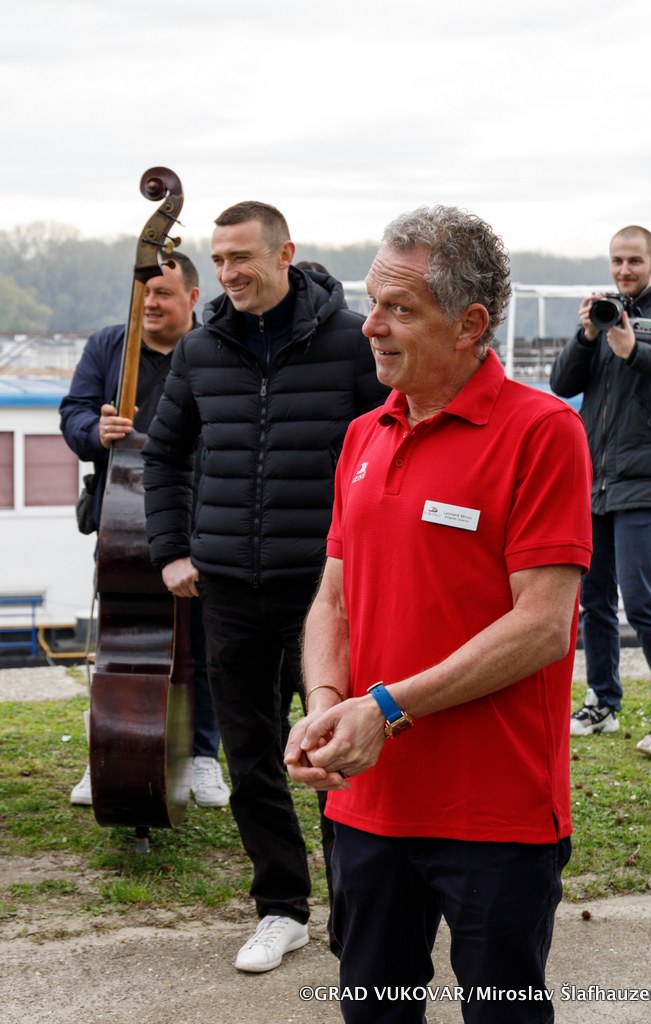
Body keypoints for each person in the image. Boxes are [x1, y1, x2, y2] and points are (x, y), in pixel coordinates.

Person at [285, 205, 593, 1024]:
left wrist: (385, 708)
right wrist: (326, 706)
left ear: (469, 324)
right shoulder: (363, 435)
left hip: (494, 811)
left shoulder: (543, 432)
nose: (370, 326)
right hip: (366, 801)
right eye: (372, 303)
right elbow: (333, 599)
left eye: (400, 309)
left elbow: (542, 625)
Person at [141, 201, 388, 973]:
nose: (227, 272)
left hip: (326, 591)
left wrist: (374, 560)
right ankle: (281, 908)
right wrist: (170, 550)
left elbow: (392, 451)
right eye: (217, 259)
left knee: (334, 752)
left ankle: (358, 912)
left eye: (240, 257)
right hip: (228, 590)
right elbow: (163, 456)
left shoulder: (350, 341)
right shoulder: (200, 348)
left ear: (284, 254)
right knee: (250, 760)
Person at [59, 254, 230, 808]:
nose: (150, 304)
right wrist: (96, 430)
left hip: (200, 515)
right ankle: (110, 751)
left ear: (192, 297)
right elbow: (73, 413)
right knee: (119, 640)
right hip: (123, 522)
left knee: (201, 644)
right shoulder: (109, 346)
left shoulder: (215, 349)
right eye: (144, 294)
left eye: (162, 293)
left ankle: (202, 755)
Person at [551, 225, 651, 757]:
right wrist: (587, 336)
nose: (624, 270)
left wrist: (633, 351)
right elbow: (562, 384)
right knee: (594, 598)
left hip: (646, 479)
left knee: (641, 598)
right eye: (617, 261)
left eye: (634, 260)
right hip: (595, 479)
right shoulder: (603, 313)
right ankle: (602, 703)